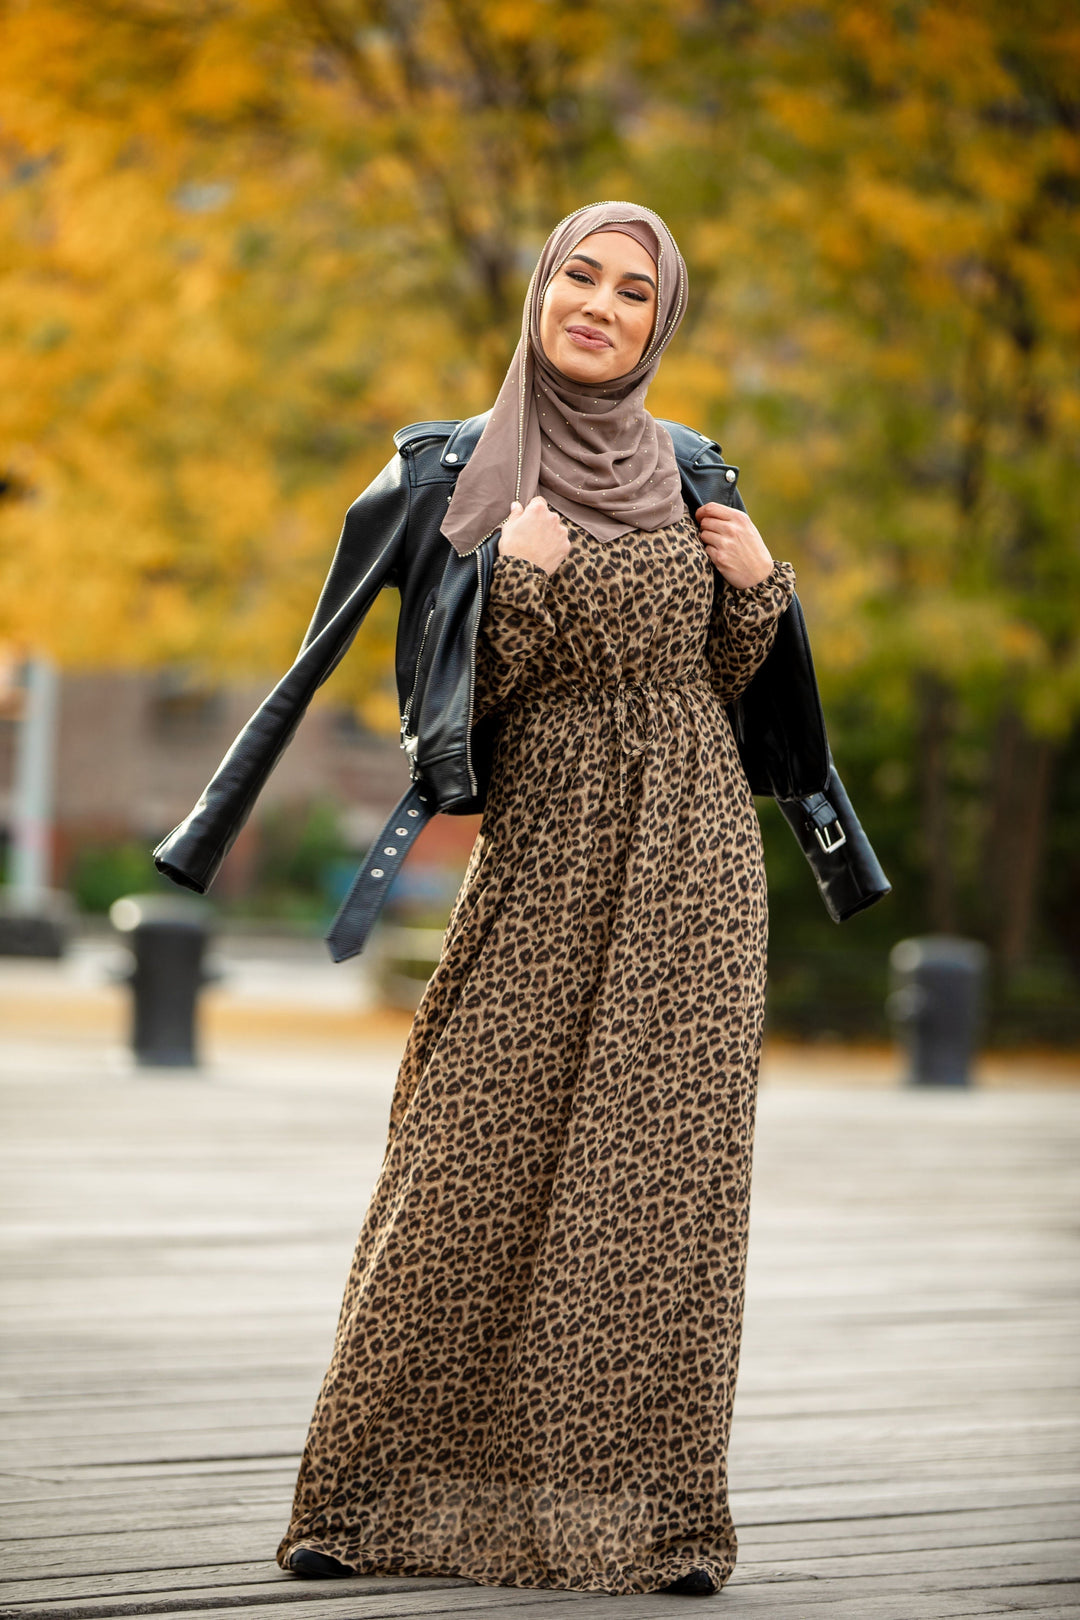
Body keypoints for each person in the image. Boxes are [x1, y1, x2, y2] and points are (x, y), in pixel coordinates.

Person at [268, 201, 795, 1598]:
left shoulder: (689, 471)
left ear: (657, 323)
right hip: (547, 848)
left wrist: (760, 595)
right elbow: (445, 714)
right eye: (582, 275)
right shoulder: (457, 468)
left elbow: (729, 688)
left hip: (692, 864)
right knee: (464, 1154)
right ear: (541, 288)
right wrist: (508, 584)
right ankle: (362, 1503)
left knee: (657, 1192)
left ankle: (655, 1529)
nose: (602, 305)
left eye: (634, 291)